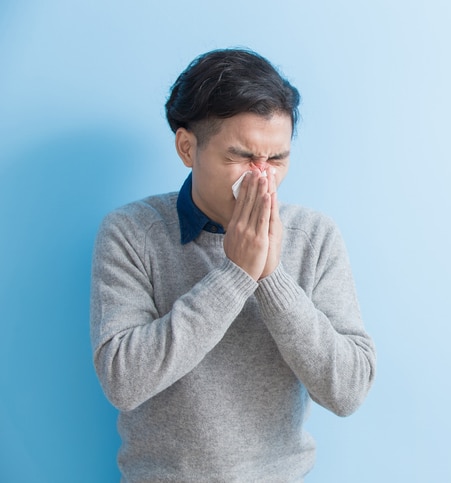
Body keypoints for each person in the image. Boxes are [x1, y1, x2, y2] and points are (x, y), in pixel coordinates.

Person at [90, 48, 376, 482]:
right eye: (241, 157)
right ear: (188, 147)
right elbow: (123, 382)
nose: (262, 179)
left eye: (277, 160)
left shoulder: (314, 236)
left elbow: (348, 391)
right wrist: (235, 275)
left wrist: (272, 277)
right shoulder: (132, 232)